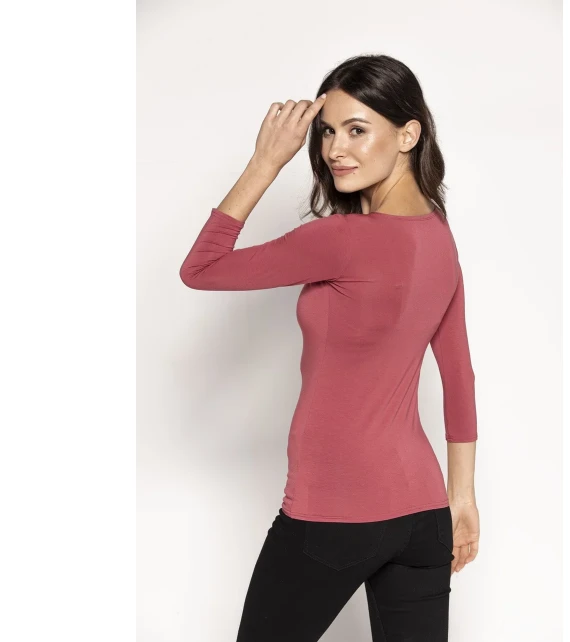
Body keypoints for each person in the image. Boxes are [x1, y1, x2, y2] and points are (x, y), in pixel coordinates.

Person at [180, 54, 480, 642]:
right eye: (326, 131)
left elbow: (201, 268)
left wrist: (265, 162)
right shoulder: (439, 237)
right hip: (423, 513)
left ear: (408, 134)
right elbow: (459, 375)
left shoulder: (339, 239)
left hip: (335, 510)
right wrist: (461, 498)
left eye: (356, 129)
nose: (334, 149)